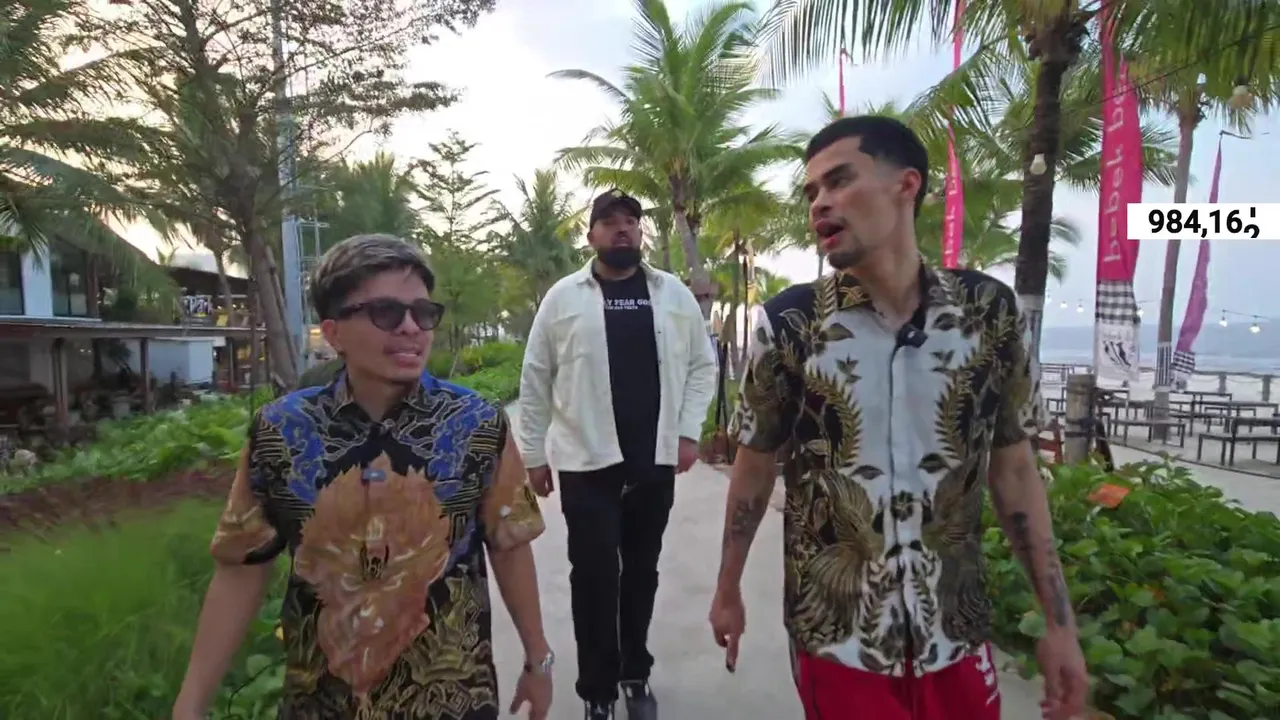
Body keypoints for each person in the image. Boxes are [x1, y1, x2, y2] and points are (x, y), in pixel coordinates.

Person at [708, 116, 1088, 720]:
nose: (820, 203)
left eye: (839, 181)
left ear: (905, 185)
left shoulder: (987, 313)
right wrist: (727, 589)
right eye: (811, 192)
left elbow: (1015, 471)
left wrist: (1058, 623)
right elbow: (753, 467)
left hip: (955, 628)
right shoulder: (790, 324)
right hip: (838, 638)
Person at [172, 234, 554, 720]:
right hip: (321, 705)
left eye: (423, 313)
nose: (411, 328)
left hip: (452, 701)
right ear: (334, 333)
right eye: (386, 313)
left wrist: (538, 659)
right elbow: (242, 567)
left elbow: (510, 544)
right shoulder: (282, 431)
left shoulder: (475, 424)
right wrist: (189, 706)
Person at [518, 189, 717, 720]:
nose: (622, 228)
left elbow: (703, 365)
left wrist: (688, 432)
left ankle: (635, 673)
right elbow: (535, 378)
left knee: (641, 572)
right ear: (591, 235)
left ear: (640, 232)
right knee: (594, 578)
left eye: (631, 220)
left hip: (653, 462)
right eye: (609, 221)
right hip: (587, 464)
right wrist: (533, 454)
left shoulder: (672, 294)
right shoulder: (562, 298)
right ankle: (597, 691)